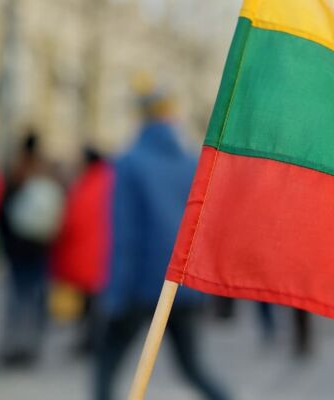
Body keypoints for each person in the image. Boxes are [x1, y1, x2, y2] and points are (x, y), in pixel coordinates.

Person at [94, 87, 230, 400]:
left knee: (107, 365)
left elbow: (125, 235)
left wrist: (114, 295)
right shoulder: (190, 162)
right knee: (192, 367)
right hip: (179, 287)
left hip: (138, 287)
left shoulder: (129, 163)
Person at [0, 131, 63, 366]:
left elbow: (2, 213)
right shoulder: (44, 173)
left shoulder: (16, 173)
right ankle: (31, 346)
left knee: (17, 299)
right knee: (35, 299)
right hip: (39, 248)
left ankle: (13, 346)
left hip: (17, 249)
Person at [51, 147, 113, 355]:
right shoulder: (111, 183)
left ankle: (91, 340)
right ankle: (94, 339)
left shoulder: (84, 185)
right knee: (96, 301)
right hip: (104, 255)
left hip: (86, 254)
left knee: (90, 302)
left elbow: (71, 220)